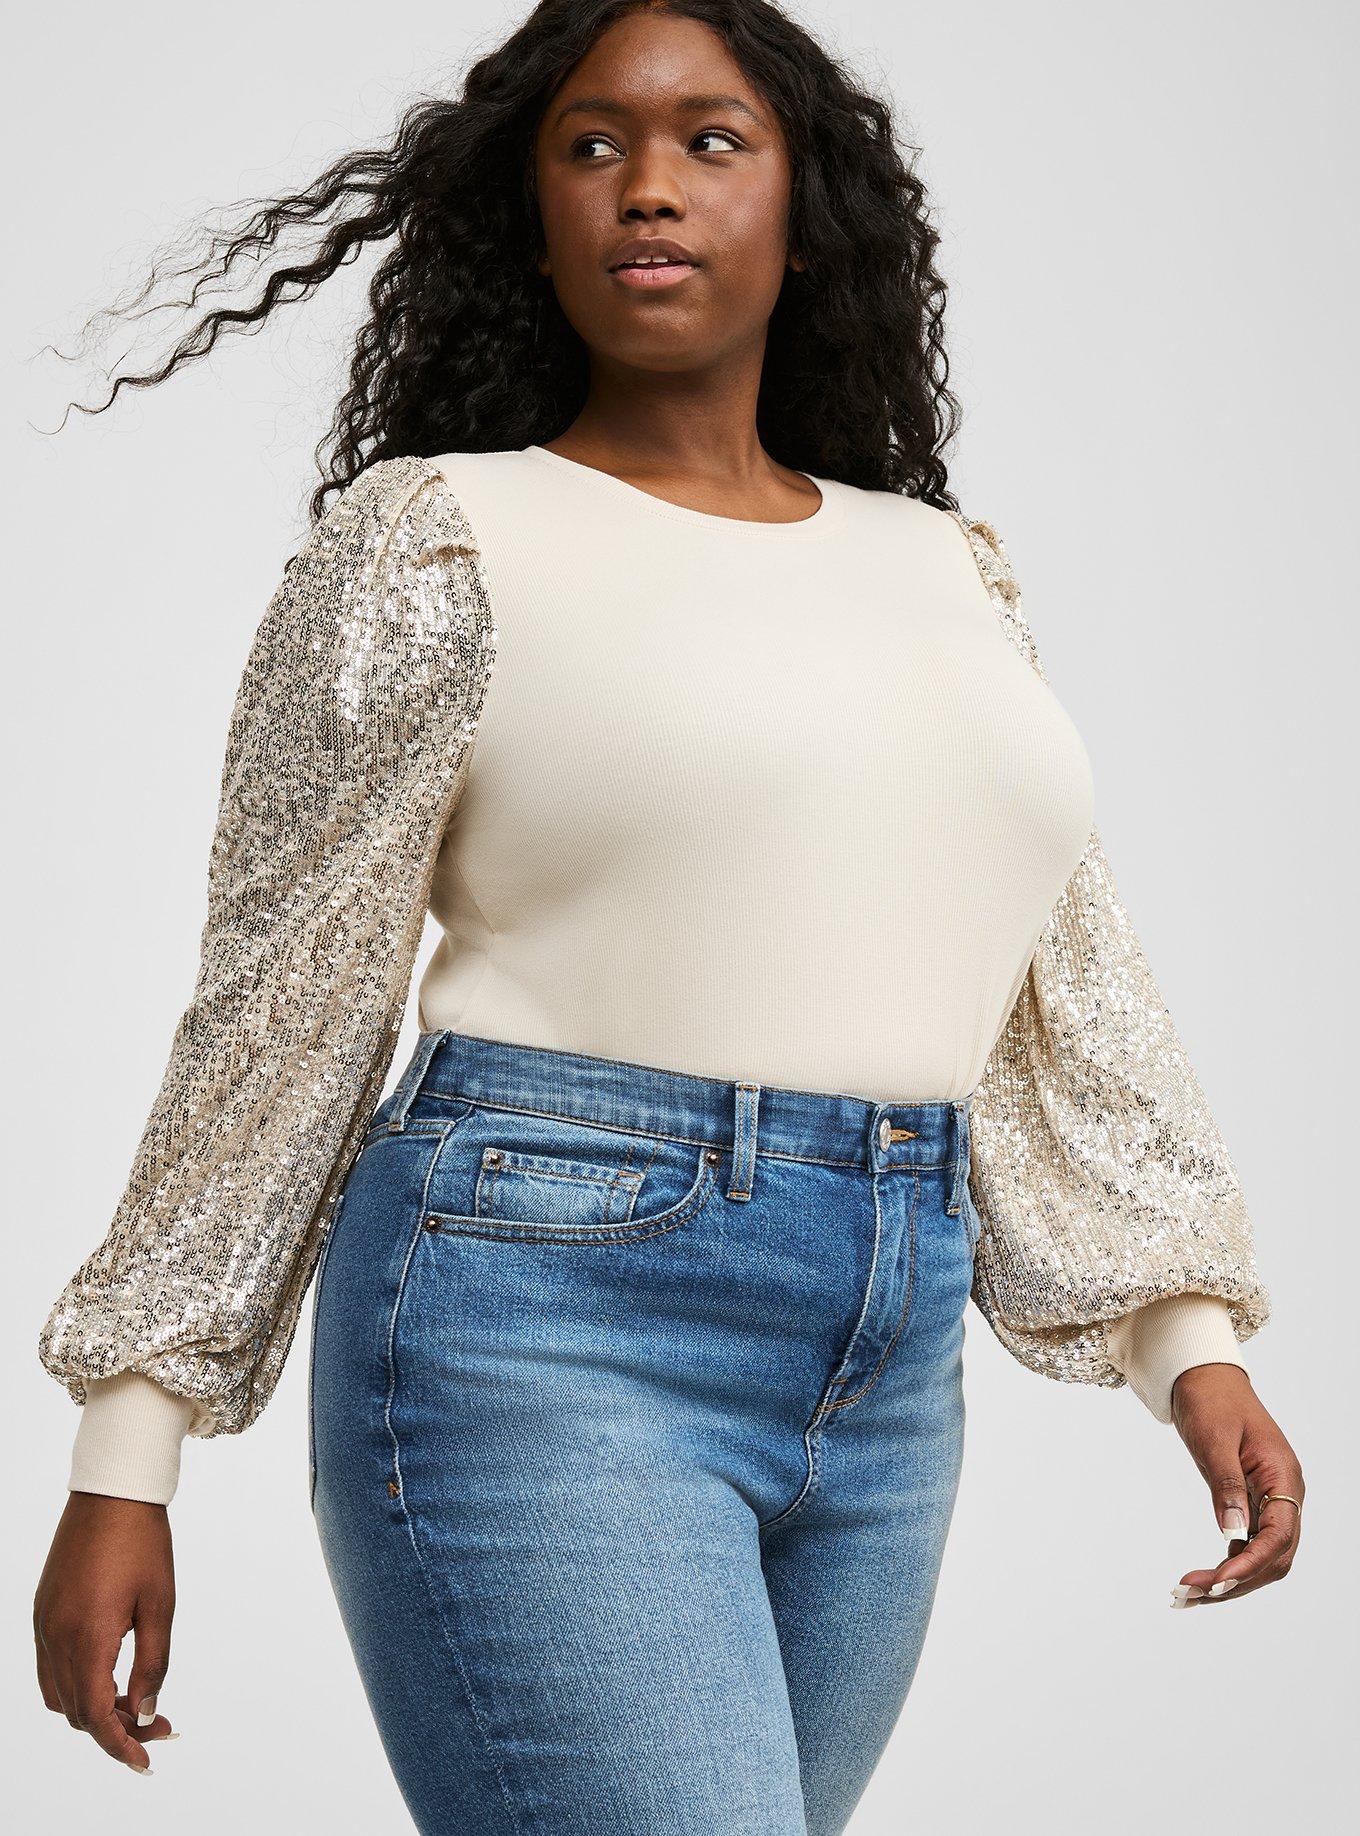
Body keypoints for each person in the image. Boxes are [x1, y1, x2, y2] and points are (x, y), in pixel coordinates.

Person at [32, 2, 1304, 1830]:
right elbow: (283, 998)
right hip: (538, 1308)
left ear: (808, 209)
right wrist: (128, 1451)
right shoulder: (438, 536)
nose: (649, 187)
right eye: (592, 145)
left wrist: (1190, 1345)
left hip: (889, 1345)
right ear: (533, 218)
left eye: (713, 141)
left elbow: (1058, 977)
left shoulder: (940, 566)